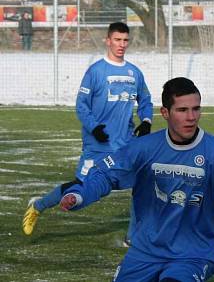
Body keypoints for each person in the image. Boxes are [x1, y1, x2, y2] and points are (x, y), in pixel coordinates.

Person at [58, 77, 214, 281]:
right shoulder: (144, 149)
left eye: (196, 109)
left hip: (194, 254)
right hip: (145, 252)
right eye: (182, 110)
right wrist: (79, 195)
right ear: (165, 113)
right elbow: (105, 176)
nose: (191, 117)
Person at [23, 22, 153, 244]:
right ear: (108, 41)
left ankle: (132, 239)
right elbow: (81, 105)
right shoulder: (95, 71)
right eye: (117, 40)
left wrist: (147, 120)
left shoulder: (134, 73)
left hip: (126, 146)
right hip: (97, 146)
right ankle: (38, 206)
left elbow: (146, 100)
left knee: (144, 184)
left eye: (125, 40)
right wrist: (94, 127)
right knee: (81, 187)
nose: (121, 44)